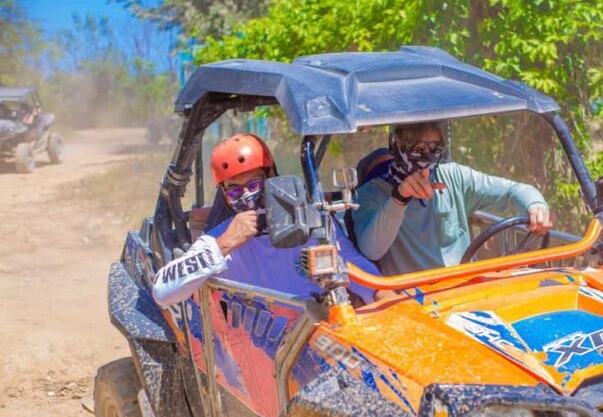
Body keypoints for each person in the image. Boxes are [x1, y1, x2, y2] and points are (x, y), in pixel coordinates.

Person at [153, 133, 380, 306]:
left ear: (271, 177)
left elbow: (360, 271)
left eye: (254, 185)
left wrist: (383, 297)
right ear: (223, 194)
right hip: (254, 347)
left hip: (315, 338)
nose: (246, 196)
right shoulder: (219, 240)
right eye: (235, 191)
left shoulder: (313, 223)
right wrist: (224, 244)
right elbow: (162, 291)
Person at [352, 121, 551, 275]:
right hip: (411, 299)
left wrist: (535, 205)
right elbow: (371, 250)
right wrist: (399, 199)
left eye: (434, 148)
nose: (427, 157)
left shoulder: (453, 176)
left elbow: (513, 190)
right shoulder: (371, 194)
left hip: (463, 290)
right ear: (398, 147)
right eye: (418, 149)